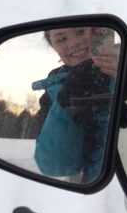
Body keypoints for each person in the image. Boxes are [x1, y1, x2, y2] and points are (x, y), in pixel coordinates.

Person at [33, 27, 119, 182]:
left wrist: (125, 71)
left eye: (80, 31)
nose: (75, 43)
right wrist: (67, 100)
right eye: (61, 39)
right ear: (54, 47)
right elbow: (54, 165)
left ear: (97, 30)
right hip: (96, 188)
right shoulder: (53, 92)